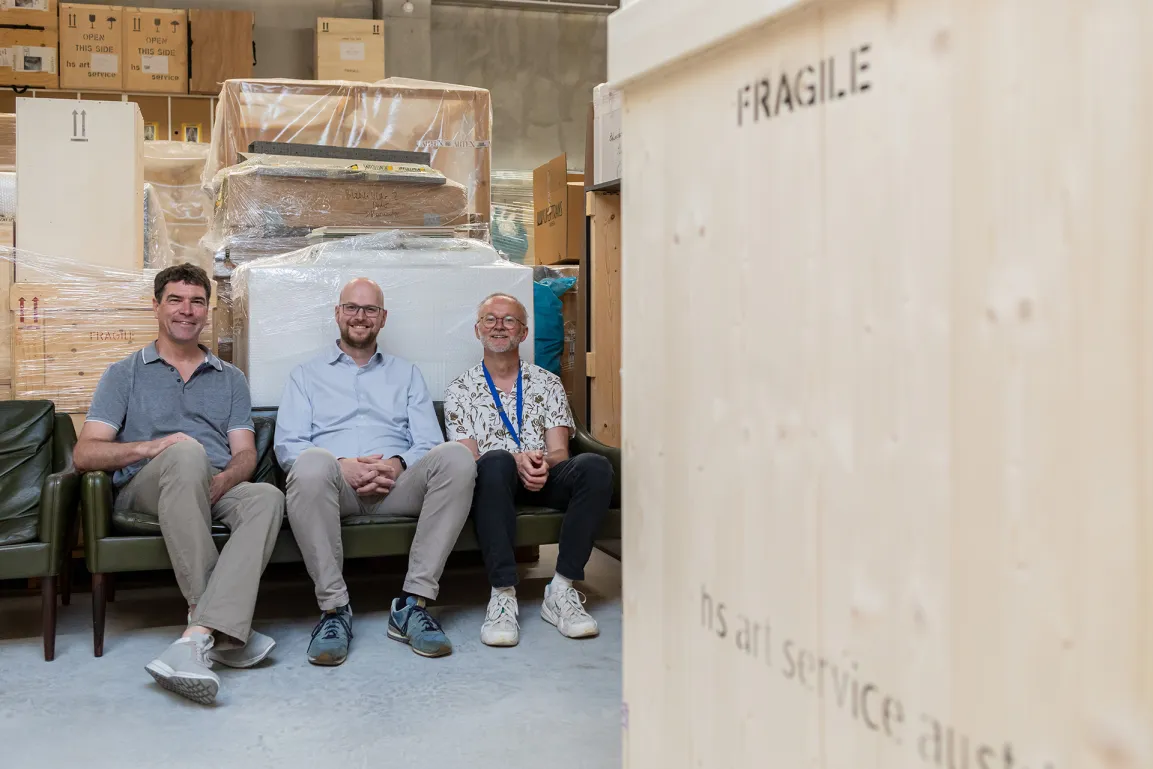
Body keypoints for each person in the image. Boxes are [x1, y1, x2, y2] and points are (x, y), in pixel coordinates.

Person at [73, 263, 284, 705]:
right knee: (185, 452)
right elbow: (85, 453)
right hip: (145, 488)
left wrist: (226, 479)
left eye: (197, 301)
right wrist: (151, 449)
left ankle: (199, 635)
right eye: (175, 299)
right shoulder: (124, 373)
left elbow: (245, 452)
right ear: (156, 306)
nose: (186, 310)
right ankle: (215, 623)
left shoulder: (231, 378)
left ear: (207, 311)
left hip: (211, 484)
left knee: (266, 496)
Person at [275, 278, 476, 665]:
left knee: (456, 456)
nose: (360, 317)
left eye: (370, 310)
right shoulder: (306, 375)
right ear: (338, 313)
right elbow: (289, 447)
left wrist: (397, 464)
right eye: (352, 307)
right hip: (335, 490)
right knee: (312, 462)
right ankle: (334, 610)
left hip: (396, 485)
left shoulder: (407, 373)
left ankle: (412, 605)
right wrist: (341, 466)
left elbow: (427, 441)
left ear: (383, 319)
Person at [442, 292, 613, 647]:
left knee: (595, 466)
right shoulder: (460, 389)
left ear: (523, 332)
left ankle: (562, 589)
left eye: (510, 320)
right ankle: (503, 594)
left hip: (543, 475)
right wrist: (514, 459)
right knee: (496, 461)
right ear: (478, 330)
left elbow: (560, 452)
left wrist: (540, 462)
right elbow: (466, 459)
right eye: (491, 319)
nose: (499, 326)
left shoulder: (547, 383)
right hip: (493, 481)